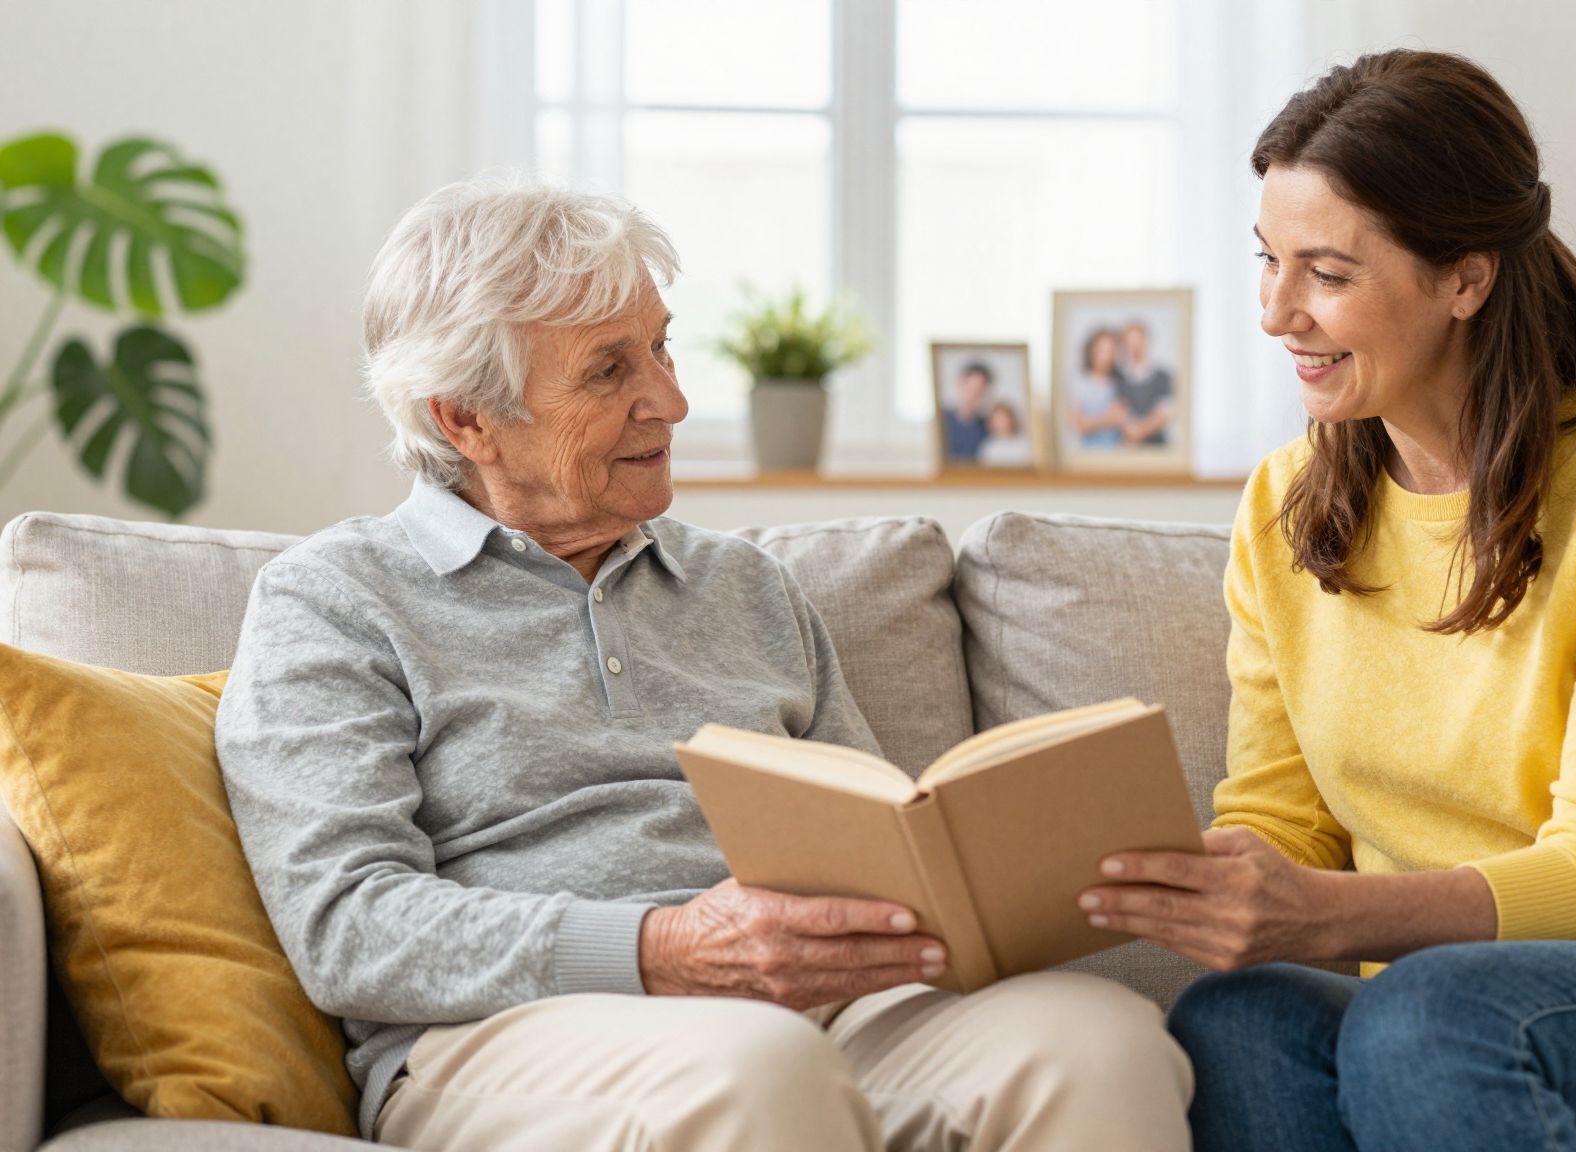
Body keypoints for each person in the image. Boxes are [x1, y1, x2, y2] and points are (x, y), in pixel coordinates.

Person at [215, 179, 1192, 1151]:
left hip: (818, 1013)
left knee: (1093, 1042)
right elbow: (349, 926)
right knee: (759, 1071)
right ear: (466, 418)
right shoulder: (336, 602)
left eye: (661, 347)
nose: (671, 401)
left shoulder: (745, 586)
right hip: (505, 1035)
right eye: (607, 372)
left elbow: (882, 830)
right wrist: (663, 950)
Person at [1074, 50, 1576, 1152]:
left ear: (1464, 276)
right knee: (1236, 1018)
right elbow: (1283, 820)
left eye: (1326, 272)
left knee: (1426, 1013)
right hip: (1459, 989)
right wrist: (1185, 875)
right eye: (1267, 261)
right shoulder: (1283, 504)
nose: (1276, 313)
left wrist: (1327, 914)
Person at [1113, 321, 1174, 446]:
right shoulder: (1118, 377)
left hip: (1157, 446)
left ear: (1146, 340)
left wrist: (1140, 431)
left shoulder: (1163, 376)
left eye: (1137, 339)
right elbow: (1117, 409)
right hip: (1127, 446)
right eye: (1128, 341)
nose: (1134, 345)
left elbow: (1164, 412)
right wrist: (1130, 430)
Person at [1069, 327, 1129, 449]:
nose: (1107, 355)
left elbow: (1125, 419)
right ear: (1092, 350)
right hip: (1089, 454)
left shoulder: (1120, 383)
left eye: (1111, 350)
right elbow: (1078, 425)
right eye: (1102, 349)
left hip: (1118, 454)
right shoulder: (1080, 382)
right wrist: (1108, 419)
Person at [942, 360, 993, 461]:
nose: (973, 395)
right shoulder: (942, 421)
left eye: (979, 391)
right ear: (960, 384)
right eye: (970, 388)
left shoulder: (987, 426)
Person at [979, 400, 1034, 468]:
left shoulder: (1024, 444)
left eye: (1003, 418)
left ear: (1010, 419)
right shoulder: (988, 447)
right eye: (997, 419)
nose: (1000, 423)